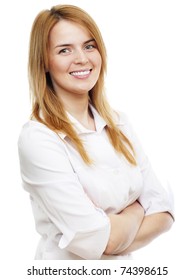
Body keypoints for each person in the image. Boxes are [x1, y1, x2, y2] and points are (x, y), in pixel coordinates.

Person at [18, 4, 174, 260]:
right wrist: (137, 209)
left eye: (89, 46)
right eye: (64, 50)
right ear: (44, 62)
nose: (82, 58)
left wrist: (115, 226)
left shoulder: (119, 123)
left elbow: (165, 213)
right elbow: (102, 240)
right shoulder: (38, 138)